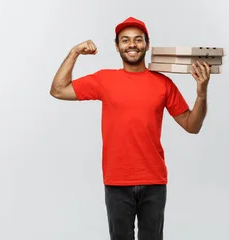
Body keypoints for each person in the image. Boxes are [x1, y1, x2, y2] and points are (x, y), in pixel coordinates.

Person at [49, 16, 211, 240]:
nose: (132, 45)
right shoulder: (104, 80)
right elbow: (58, 90)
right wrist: (75, 51)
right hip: (117, 181)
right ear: (117, 47)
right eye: (125, 40)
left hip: (154, 180)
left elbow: (192, 126)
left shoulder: (163, 83)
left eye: (137, 39)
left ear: (147, 44)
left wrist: (201, 93)